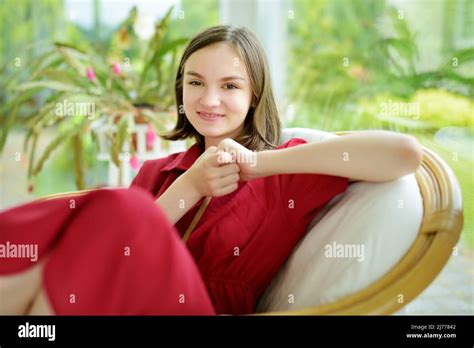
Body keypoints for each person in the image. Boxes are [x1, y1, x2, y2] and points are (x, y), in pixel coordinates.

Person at [0, 25, 423, 316]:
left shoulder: (281, 175)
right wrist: (188, 186)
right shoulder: (156, 172)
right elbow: (110, 256)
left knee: (119, 207)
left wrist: (259, 163)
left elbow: (403, 154)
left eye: (230, 86)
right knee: (104, 217)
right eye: (196, 82)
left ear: (255, 95)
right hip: (118, 304)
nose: (210, 99)